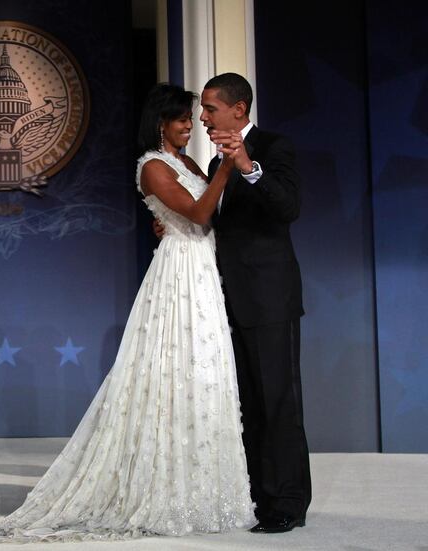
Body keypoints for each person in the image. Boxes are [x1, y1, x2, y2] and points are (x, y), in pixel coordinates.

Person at [0, 84, 255, 542]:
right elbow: (201, 215)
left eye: (191, 117)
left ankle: (203, 485)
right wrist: (225, 167)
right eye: (182, 118)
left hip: (203, 272)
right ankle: (157, 485)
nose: (190, 125)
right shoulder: (153, 167)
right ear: (160, 122)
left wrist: (211, 180)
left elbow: (207, 217)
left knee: (204, 372)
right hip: (178, 277)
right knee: (172, 373)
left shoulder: (187, 163)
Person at [196, 72, 310, 533]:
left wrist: (248, 166)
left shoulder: (274, 147)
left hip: (269, 299)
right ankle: (261, 500)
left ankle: (288, 504)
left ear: (238, 109)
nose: (203, 117)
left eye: (210, 108)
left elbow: (288, 208)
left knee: (278, 403)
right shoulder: (213, 161)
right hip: (231, 299)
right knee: (251, 404)